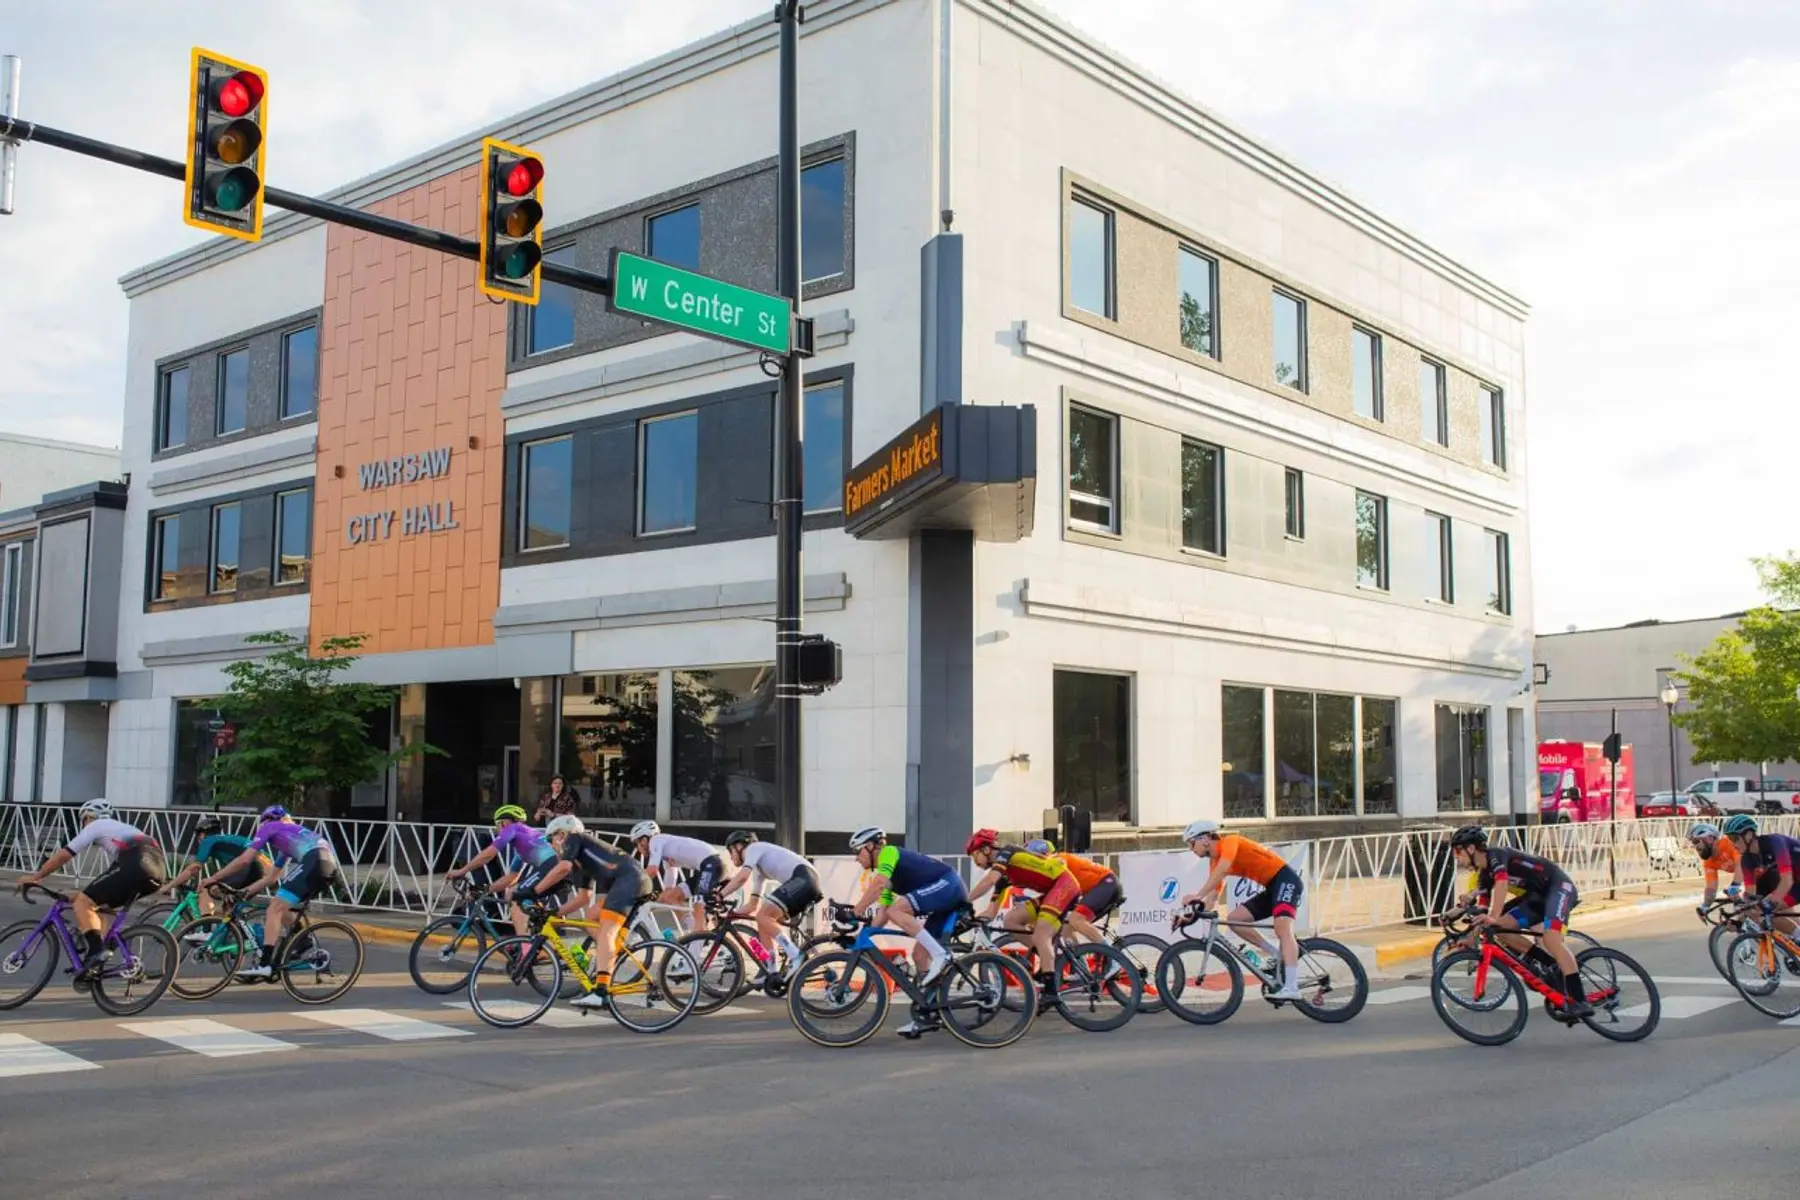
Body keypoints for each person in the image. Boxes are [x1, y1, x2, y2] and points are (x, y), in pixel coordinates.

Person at [15, 800, 169, 983]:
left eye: (83, 821)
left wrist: (36, 877)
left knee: (84, 902)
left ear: (87, 817)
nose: (84, 825)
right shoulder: (121, 828)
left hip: (135, 863)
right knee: (95, 903)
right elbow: (109, 880)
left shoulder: (95, 825)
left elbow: (65, 854)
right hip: (157, 871)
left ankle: (96, 952)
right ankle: (96, 963)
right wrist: (83, 894)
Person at [1447, 824, 1592, 1019]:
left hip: (1558, 887)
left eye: (1458, 851)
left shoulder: (1496, 855)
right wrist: (1472, 938)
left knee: (1551, 938)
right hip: (1538, 897)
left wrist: (1494, 916)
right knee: (1500, 930)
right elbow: (1482, 910)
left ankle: (1580, 1000)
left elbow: (1502, 883)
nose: (1457, 857)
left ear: (1471, 848)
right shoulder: (1484, 875)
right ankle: (1551, 966)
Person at [844, 826, 966, 1031]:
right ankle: (927, 1012)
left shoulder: (889, 853)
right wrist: (866, 934)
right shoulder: (888, 873)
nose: (857, 859)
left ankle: (941, 954)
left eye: (858, 852)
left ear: (871, 846)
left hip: (948, 885)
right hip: (943, 894)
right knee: (919, 955)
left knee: (897, 910)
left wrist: (856, 911)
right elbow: (883, 911)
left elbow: (879, 885)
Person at [203, 805, 342, 981]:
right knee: (282, 905)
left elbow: (245, 859)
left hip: (315, 861)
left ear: (267, 820)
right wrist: (245, 892)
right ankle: (302, 940)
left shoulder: (270, 826)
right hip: (327, 865)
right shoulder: (289, 838)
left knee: (274, 907)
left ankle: (265, 964)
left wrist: (214, 878)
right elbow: (271, 878)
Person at [526, 815, 650, 1010]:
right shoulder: (579, 860)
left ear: (561, 834)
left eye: (550, 840)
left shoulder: (576, 839)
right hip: (629, 880)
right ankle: (609, 955)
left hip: (629, 881)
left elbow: (562, 868)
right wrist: (554, 913)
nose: (550, 846)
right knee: (591, 915)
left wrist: (534, 891)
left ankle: (600, 992)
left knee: (607, 932)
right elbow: (583, 897)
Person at [1176, 820, 1304, 1002]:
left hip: (1285, 880)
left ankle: (1292, 987)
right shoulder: (1214, 862)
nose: (1191, 849)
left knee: (1282, 928)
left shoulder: (1230, 842)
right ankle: (1277, 953)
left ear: (1204, 839)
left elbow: (1222, 871)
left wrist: (1197, 895)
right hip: (1271, 887)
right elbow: (1213, 898)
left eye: (1191, 843)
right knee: (1235, 919)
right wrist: (1193, 915)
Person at [967, 829, 1079, 996]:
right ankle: (1047, 956)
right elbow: (991, 912)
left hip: (1064, 884)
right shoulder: (1003, 877)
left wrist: (964, 900)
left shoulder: (1007, 852)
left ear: (986, 849)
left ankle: (1051, 992)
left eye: (974, 855)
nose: (974, 861)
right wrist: (973, 920)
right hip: (1052, 891)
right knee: (1011, 920)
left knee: (1041, 934)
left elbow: (989, 880)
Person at [445, 805, 562, 938]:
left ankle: (524, 946)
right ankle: (534, 937)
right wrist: (487, 889)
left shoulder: (512, 828)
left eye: (497, 825)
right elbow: (511, 877)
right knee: (513, 893)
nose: (497, 830)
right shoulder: (524, 842)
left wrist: (461, 871)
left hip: (551, 865)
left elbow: (488, 854)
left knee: (517, 898)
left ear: (503, 822)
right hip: (554, 866)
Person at [719, 830, 820, 982]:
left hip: (805, 878)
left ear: (739, 846)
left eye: (730, 850)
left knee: (764, 916)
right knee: (763, 920)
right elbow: (752, 906)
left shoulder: (754, 848)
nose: (731, 856)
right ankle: (771, 972)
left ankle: (796, 955)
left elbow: (742, 878)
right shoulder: (759, 870)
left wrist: (719, 895)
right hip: (804, 882)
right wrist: (730, 914)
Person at [165, 814, 275, 923]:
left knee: (206, 888)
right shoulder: (227, 842)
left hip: (251, 867)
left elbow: (194, 868)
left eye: (197, 836)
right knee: (228, 906)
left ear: (202, 834)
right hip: (267, 870)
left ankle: (205, 931)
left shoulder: (209, 840)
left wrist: (169, 886)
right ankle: (234, 933)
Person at [630, 820, 726, 931]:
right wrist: (651, 903)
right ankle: (693, 932)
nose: (637, 848)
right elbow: (667, 892)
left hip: (712, 865)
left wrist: (632, 885)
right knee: (671, 897)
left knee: (698, 904)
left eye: (636, 843)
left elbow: (652, 870)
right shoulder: (666, 853)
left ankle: (698, 937)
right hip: (707, 868)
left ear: (644, 839)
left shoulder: (656, 840)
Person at [1722, 814, 1799, 935]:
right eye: (1729, 839)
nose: (1732, 843)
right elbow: (1749, 895)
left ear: (1748, 835)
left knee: (1767, 907)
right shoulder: (1746, 859)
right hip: (1797, 883)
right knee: (1763, 912)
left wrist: (1771, 902)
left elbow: (1786, 880)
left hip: (1792, 880)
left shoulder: (1775, 842)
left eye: (1734, 838)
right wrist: (1740, 921)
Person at [1687, 821, 1743, 916]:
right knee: (1744, 916)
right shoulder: (1709, 862)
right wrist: (1705, 906)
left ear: (1709, 838)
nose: (1695, 847)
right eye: (1693, 843)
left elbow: (1740, 865)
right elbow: (1711, 888)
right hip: (1754, 878)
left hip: (1767, 870)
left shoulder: (1729, 843)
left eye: (1696, 841)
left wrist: (1735, 886)